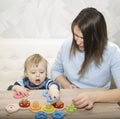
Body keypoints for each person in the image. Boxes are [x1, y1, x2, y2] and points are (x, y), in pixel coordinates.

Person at [51, 7, 120, 109]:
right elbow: (56, 70)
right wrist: (67, 85)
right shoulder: (67, 45)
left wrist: (94, 96)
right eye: (75, 35)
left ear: (97, 37)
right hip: (71, 97)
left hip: (100, 100)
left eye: (83, 38)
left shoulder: (113, 51)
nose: (77, 42)